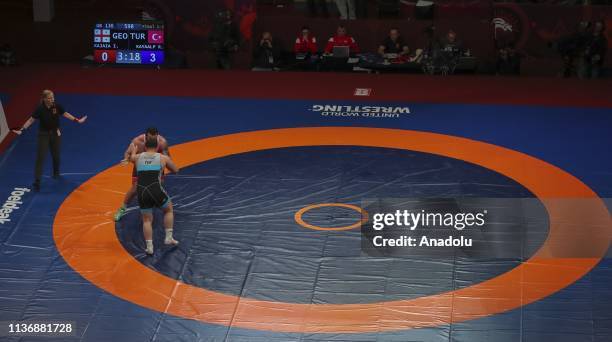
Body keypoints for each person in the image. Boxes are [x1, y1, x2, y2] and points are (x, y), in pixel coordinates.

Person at [12, 90, 87, 192]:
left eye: (53, 97)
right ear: (44, 99)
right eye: (50, 98)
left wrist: (77, 120)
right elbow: (31, 120)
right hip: (43, 135)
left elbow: (65, 114)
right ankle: (37, 181)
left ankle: (56, 173)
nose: (52, 99)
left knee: (56, 155)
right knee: (40, 157)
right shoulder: (40, 109)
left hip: (55, 134)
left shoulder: (56, 106)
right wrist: (22, 129)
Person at [129, 135, 179, 255]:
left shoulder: (137, 157)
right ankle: (168, 237)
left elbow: (131, 157)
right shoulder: (162, 157)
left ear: (145, 147)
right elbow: (176, 170)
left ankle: (149, 247)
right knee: (168, 210)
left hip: (142, 191)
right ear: (157, 147)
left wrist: (134, 150)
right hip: (155, 189)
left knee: (146, 220)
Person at [114, 127, 169, 221]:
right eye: (151, 138)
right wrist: (127, 159)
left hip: (156, 166)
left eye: (155, 138)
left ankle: (160, 205)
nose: (153, 141)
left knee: (159, 187)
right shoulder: (137, 141)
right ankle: (122, 208)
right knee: (134, 189)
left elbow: (167, 157)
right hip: (140, 167)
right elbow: (127, 153)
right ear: (146, 136)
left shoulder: (162, 142)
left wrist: (163, 163)